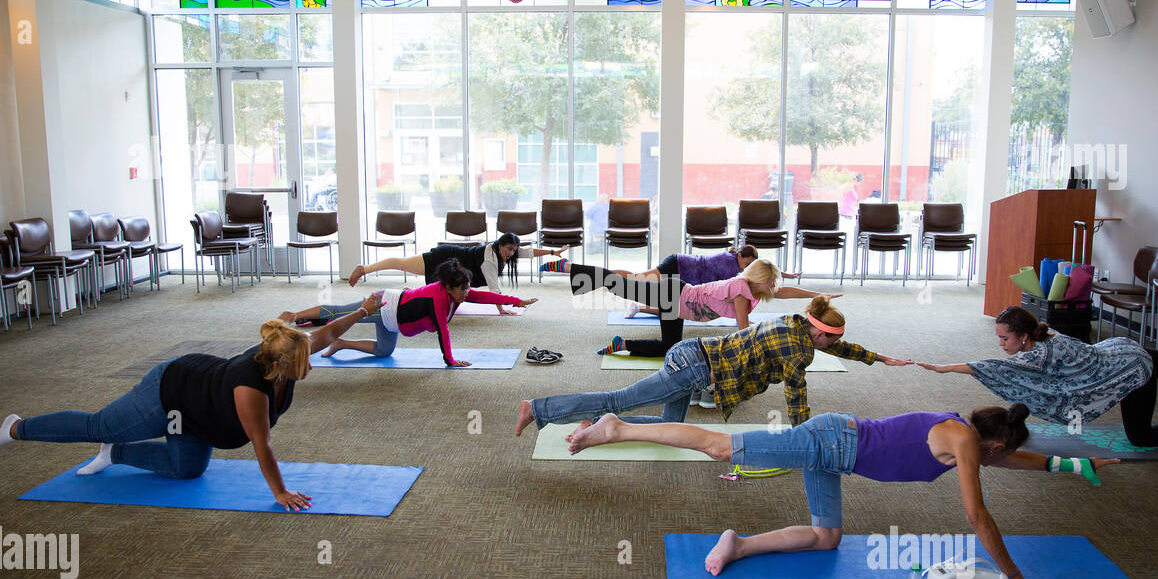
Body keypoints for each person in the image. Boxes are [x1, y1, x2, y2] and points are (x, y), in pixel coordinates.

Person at [562, 403, 1118, 579]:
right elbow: (977, 514)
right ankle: (618, 428)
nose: (997, 459)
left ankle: (738, 544)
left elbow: (1012, 459)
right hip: (831, 439)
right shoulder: (966, 442)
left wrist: (1071, 462)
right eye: (999, 454)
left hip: (838, 454)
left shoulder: (972, 436)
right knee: (718, 447)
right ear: (992, 442)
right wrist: (1012, 573)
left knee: (827, 539)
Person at [0, 296, 386, 509]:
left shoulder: (288, 348)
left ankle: (117, 453)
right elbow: (262, 446)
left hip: (198, 417)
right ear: (281, 365)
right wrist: (280, 493)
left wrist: (365, 310)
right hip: (171, 392)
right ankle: (18, 428)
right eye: (304, 364)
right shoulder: (250, 390)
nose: (310, 367)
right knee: (99, 424)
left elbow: (329, 331)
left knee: (186, 471)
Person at [516, 294, 911, 435]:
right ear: (820, 334)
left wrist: (875, 358)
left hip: (691, 354)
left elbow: (838, 348)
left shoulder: (795, 322)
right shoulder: (798, 351)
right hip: (695, 368)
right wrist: (805, 437)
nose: (834, 346)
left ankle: (605, 425)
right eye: (833, 340)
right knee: (618, 399)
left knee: (671, 429)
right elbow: (797, 398)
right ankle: (538, 409)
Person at [916, 305, 1158, 447]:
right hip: (1123, 352)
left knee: (1141, 437)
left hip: (1129, 371)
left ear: (1023, 336)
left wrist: (947, 367)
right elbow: (1028, 382)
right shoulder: (1043, 336)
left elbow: (996, 370)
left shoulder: (1039, 352)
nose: (1001, 344)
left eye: (1004, 338)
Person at [541, 257, 835, 358]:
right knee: (617, 283)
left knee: (671, 347)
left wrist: (818, 293)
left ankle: (623, 344)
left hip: (679, 305)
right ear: (761, 280)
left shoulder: (755, 290)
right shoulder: (743, 293)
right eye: (771, 282)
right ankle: (568, 266)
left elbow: (784, 292)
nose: (774, 287)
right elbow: (742, 331)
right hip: (672, 292)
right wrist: (767, 336)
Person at [287, 259, 537, 368]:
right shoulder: (439, 298)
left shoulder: (457, 292)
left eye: (467, 287)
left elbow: (487, 296)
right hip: (383, 306)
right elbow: (443, 330)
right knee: (337, 314)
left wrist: (517, 301)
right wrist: (450, 360)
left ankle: (341, 344)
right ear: (449, 287)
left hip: (395, 321)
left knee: (384, 351)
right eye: (463, 289)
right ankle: (293, 315)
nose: (467, 292)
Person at [347, 232, 563, 314]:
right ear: (500, 245)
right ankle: (364, 269)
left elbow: (528, 251)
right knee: (403, 264)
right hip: (444, 257)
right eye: (509, 249)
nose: (512, 253)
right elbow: (493, 287)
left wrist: (553, 251)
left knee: (437, 292)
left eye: (513, 250)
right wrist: (501, 308)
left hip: (454, 266)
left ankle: (409, 292)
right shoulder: (489, 258)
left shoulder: (507, 251)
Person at [612, 245, 800, 283]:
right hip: (678, 265)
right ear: (741, 255)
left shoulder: (735, 260)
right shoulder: (729, 263)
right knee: (639, 278)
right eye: (746, 263)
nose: (746, 267)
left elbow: (761, 267)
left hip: (681, 267)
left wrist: (784, 274)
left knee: (645, 283)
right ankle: (607, 274)